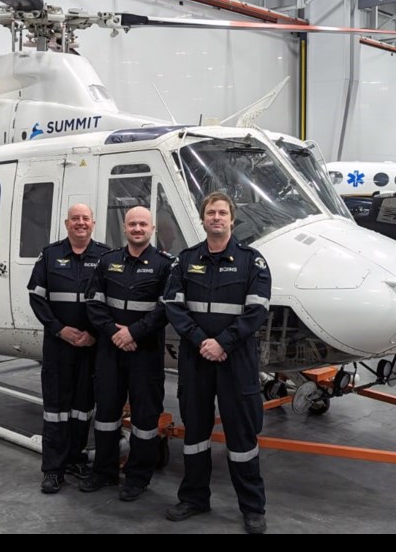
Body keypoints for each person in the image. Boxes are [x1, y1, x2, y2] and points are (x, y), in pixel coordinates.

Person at [162, 191, 271, 534]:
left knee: (241, 435)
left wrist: (222, 343)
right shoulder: (185, 260)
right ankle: (194, 498)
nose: (217, 218)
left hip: (236, 359)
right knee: (195, 430)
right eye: (211, 212)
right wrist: (201, 342)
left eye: (223, 213)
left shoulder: (252, 262)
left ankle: (252, 508)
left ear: (232, 220)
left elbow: (257, 311)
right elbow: (173, 306)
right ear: (203, 218)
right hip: (197, 359)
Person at [81, 206, 173, 501]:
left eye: (142, 224)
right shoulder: (107, 262)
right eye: (132, 224)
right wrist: (114, 332)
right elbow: (94, 303)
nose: (137, 228)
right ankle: (104, 472)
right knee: (106, 413)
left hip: (145, 353)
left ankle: (137, 477)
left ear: (152, 229)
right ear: (124, 228)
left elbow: (165, 309)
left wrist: (133, 333)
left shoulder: (164, 266)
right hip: (111, 351)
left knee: (146, 419)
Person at [27, 203, 110, 494]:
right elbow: (36, 298)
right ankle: (53, 469)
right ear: (66, 223)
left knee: (82, 408)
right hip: (58, 347)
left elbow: (109, 302)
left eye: (85, 218)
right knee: (55, 411)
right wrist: (60, 329)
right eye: (75, 219)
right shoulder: (50, 255)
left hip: (90, 347)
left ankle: (75, 459)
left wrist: (95, 335)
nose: (80, 223)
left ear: (93, 223)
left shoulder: (105, 256)